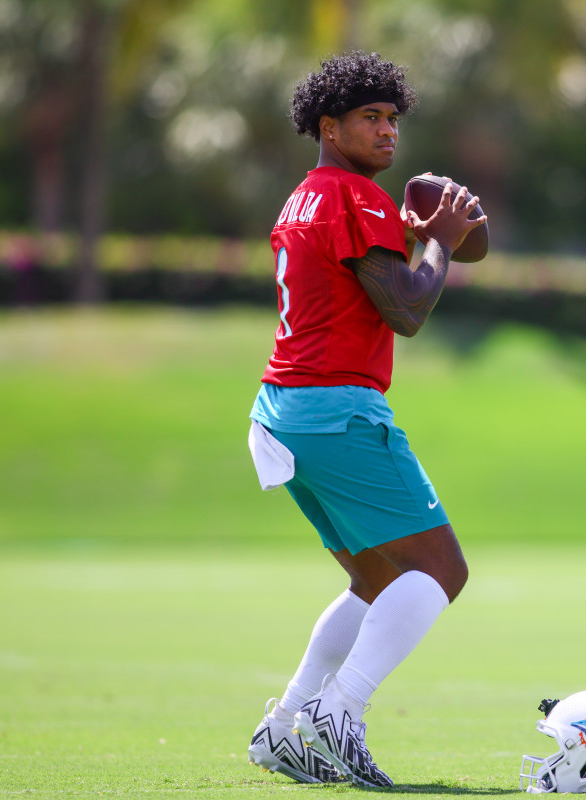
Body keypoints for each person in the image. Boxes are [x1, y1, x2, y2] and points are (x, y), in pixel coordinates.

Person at [245, 51, 487, 788]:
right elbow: (408, 309)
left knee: (377, 582)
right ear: (329, 126)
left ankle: (286, 724)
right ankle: (339, 712)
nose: (387, 133)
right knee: (442, 570)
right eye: (370, 119)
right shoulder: (356, 197)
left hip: (282, 412)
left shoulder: (303, 197)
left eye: (392, 120)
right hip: (336, 409)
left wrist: (419, 241)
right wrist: (438, 238)